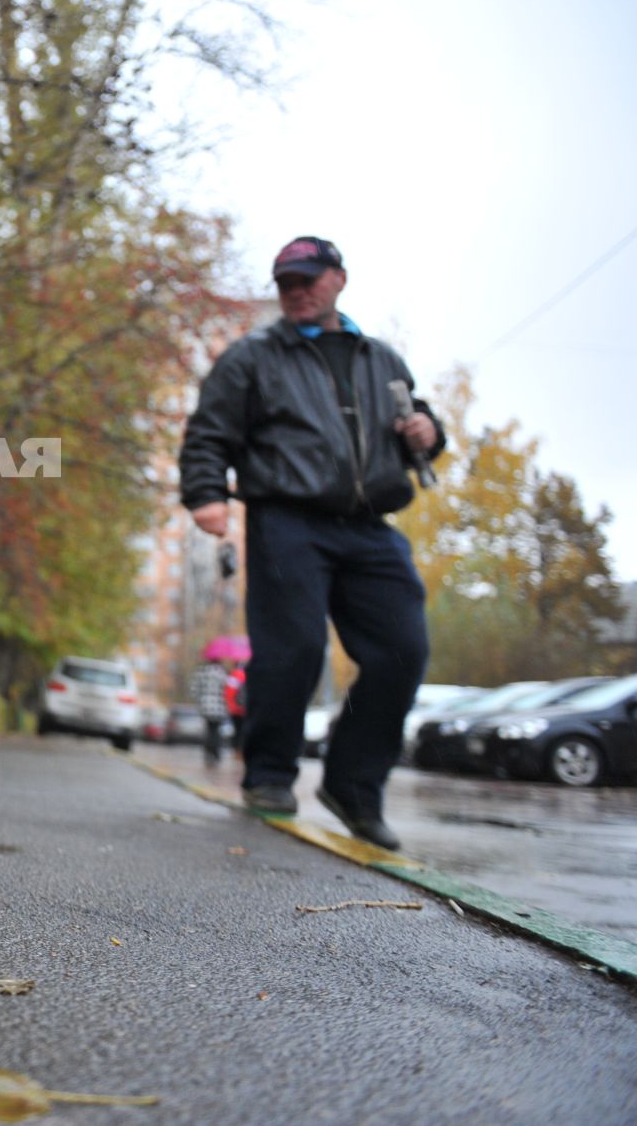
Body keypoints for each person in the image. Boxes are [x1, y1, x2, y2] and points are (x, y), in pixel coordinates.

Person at [179, 237, 443, 849]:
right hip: (286, 518)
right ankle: (269, 776)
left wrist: (431, 430)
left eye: (307, 279)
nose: (296, 291)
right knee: (293, 649)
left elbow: (418, 431)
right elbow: (208, 433)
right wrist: (205, 493)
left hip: (370, 524)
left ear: (338, 280)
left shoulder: (382, 361)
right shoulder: (252, 358)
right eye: (285, 283)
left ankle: (353, 784)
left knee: (403, 649)